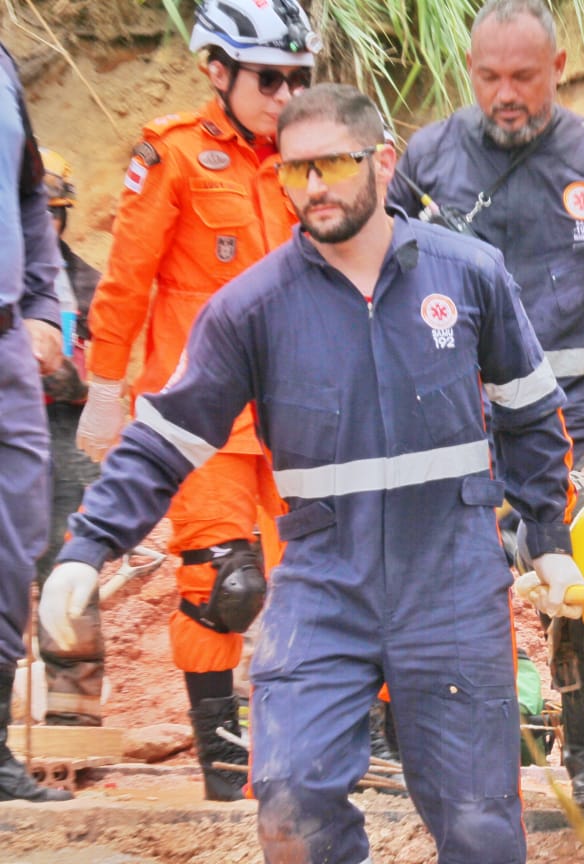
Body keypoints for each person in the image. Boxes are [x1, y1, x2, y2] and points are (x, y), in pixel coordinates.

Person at [42, 82, 579, 864]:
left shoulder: (468, 276)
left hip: (453, 581)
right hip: (326, 583)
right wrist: (87, 547)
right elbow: (167, 439)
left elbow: (530, 413)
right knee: (291, 795)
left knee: (479, 826)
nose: (313, 187)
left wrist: (549, 534)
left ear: (383, 162)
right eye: (296, 171)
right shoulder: (251, 309)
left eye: (331, 163)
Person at [389, 0, 584, 810]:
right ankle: (452, 757)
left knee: (579, 585)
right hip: (459, 418)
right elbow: (377, 280)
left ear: (559, 70)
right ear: (471, 73)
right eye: (489, 77)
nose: (505, 93)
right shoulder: (428, 159)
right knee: (445, 587)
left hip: (579, 417)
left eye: (523, 76)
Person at [70, 0, 318, 800]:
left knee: (331, 575)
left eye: (298, 79)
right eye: (268, 79)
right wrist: (106, 389)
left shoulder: (313, 160)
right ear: (218, 71)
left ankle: (346, 745)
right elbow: (127, 275)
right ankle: (223, 761)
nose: (285, 96)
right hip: (201, 416)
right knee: (223, 581)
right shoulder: (171, 154)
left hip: (301, 410)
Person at [0, 38, 75, 804]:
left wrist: (43, 305)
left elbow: (27, 198)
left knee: (19, 538)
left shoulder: (2, 68)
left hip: (7, 341)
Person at [31, 148, 107, 727]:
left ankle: (72, 720)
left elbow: (105, 378)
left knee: (69, 572)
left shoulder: (84, 283)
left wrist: (66, 375)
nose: (47, 221)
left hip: (60, 435)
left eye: (55, 210)